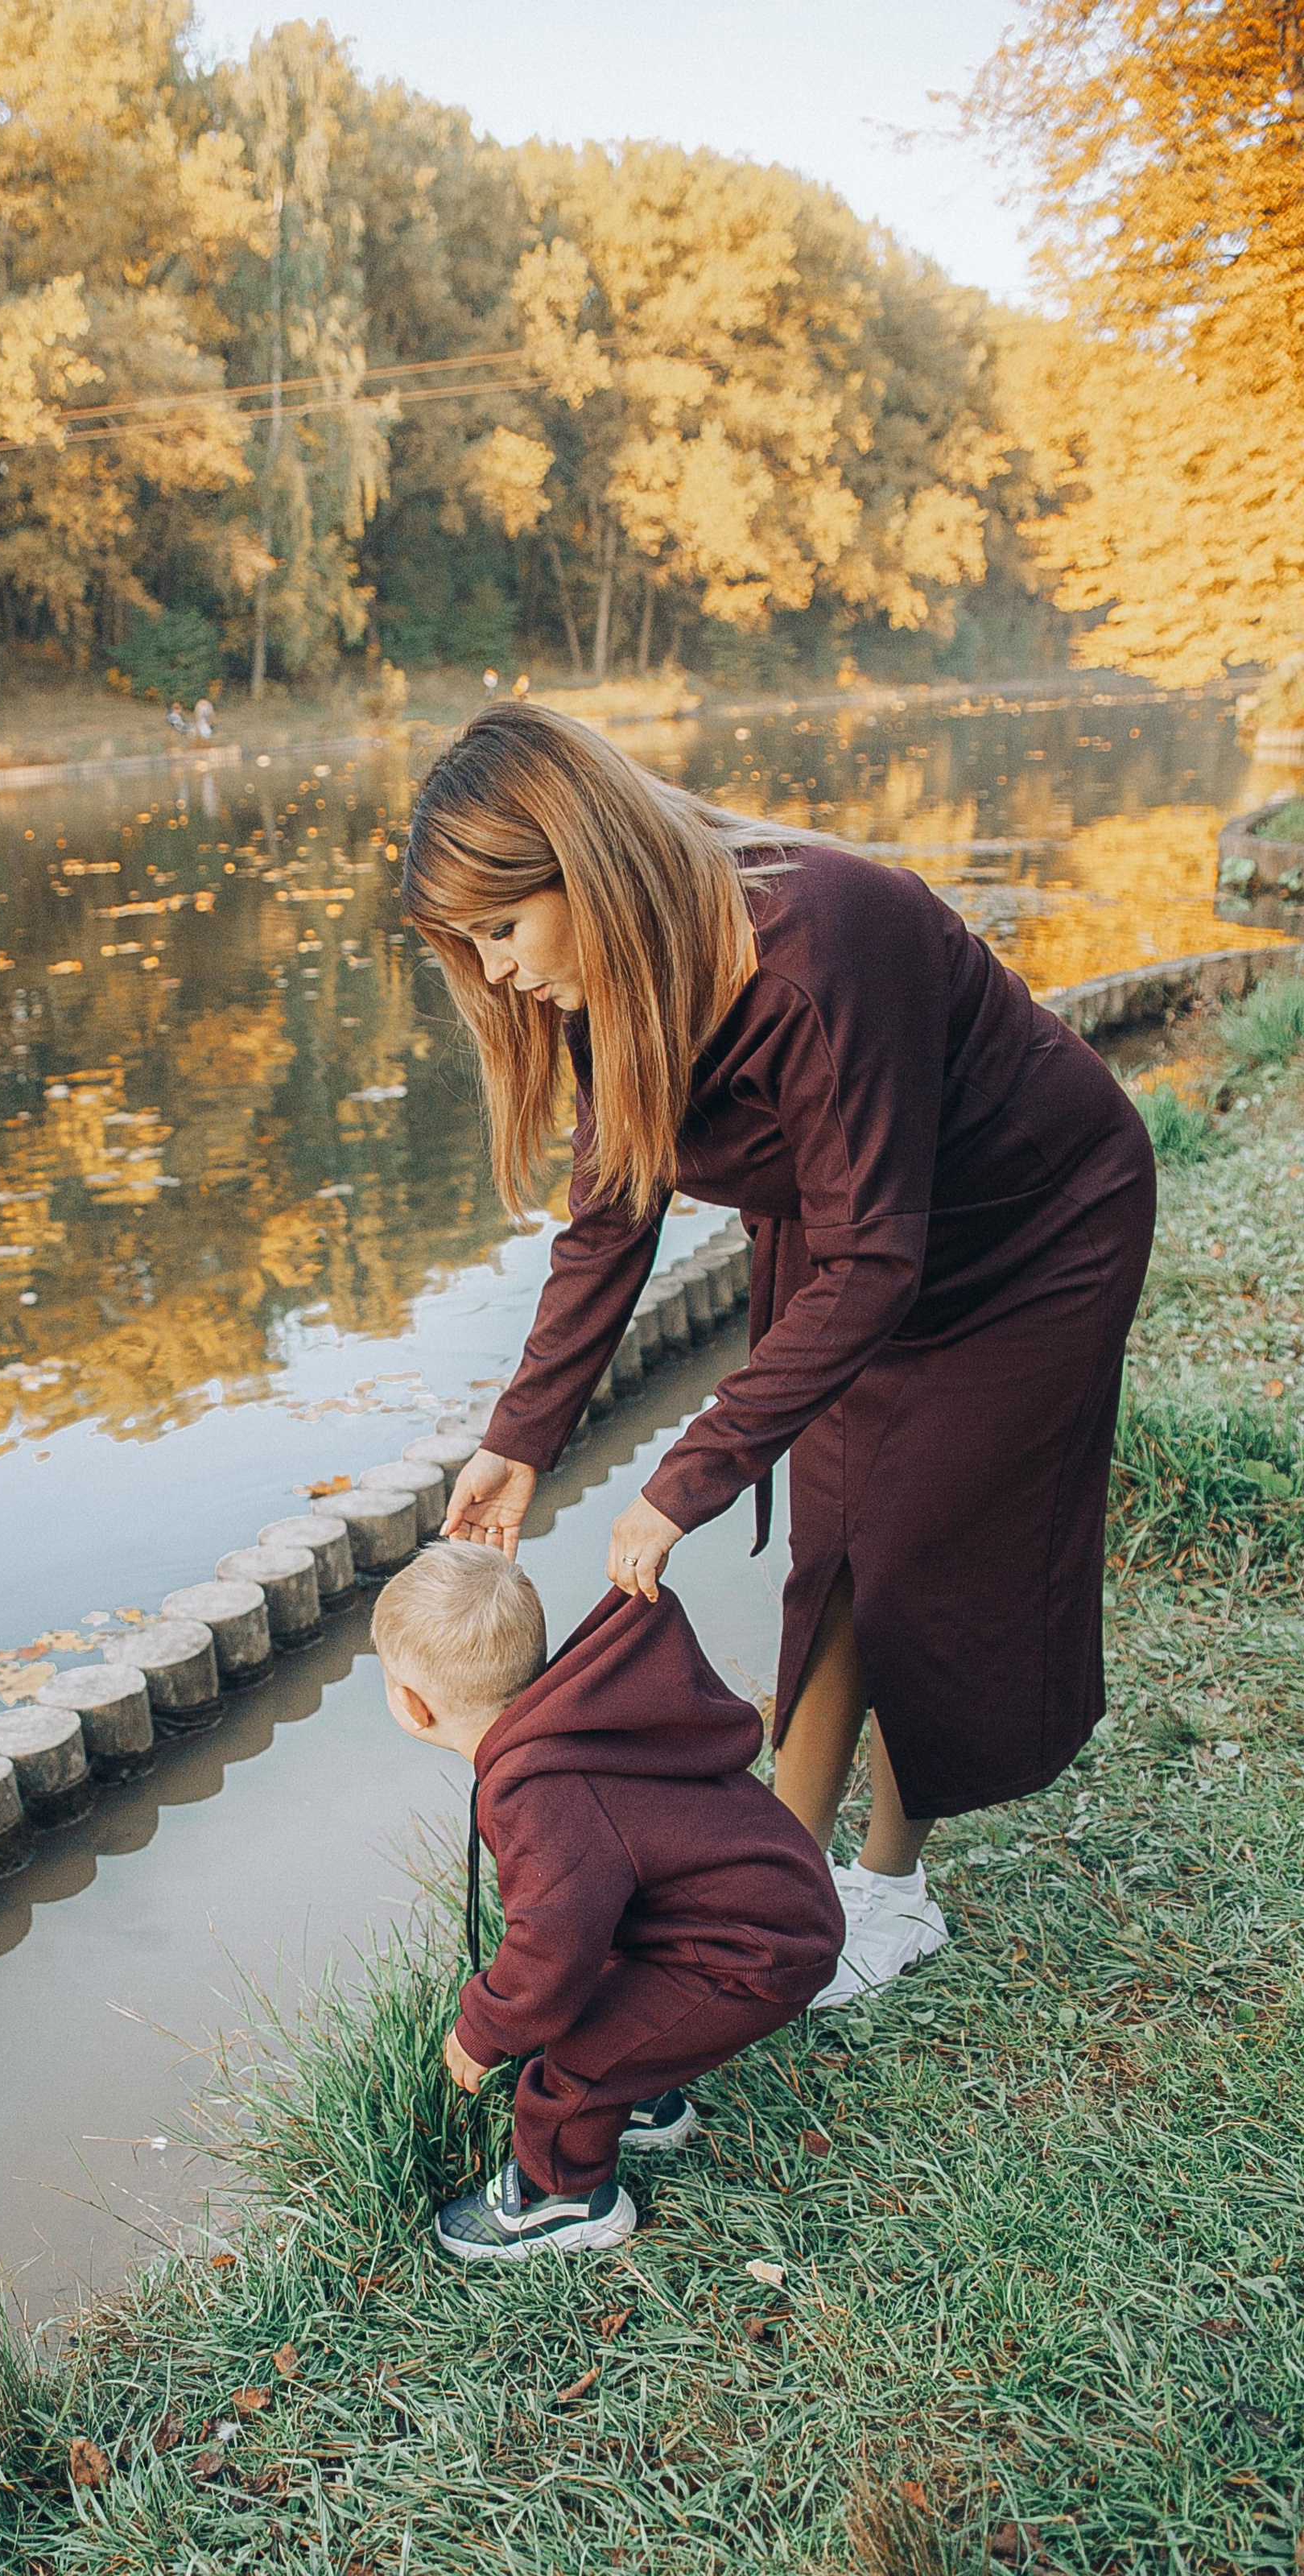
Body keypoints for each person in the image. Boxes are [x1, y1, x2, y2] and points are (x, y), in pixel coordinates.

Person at [405, 703, 1154, 2008]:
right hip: (864, 1235)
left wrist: (683, 1479)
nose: (500, 971)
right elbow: (610, 1219)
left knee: (925, 1556)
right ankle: (780, 1892)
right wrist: (519, 1443)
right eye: (471, 944)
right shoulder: (609, 987)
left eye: (504, 928)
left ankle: (891, 1893)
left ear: (587, 868)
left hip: (1034, 1233)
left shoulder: (823, 941)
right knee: (837, 1550)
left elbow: (879, 1261)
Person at [375, 1542, 841, 2260]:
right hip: (757, 1905)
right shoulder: (569, 1722)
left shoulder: (542, 1798)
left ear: (411, 1705)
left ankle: (564, 2198)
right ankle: (648, 2092)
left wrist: (485, 2027)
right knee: (608, 2000)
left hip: (754, 1948)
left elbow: (550, 1947)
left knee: (577, 2063)